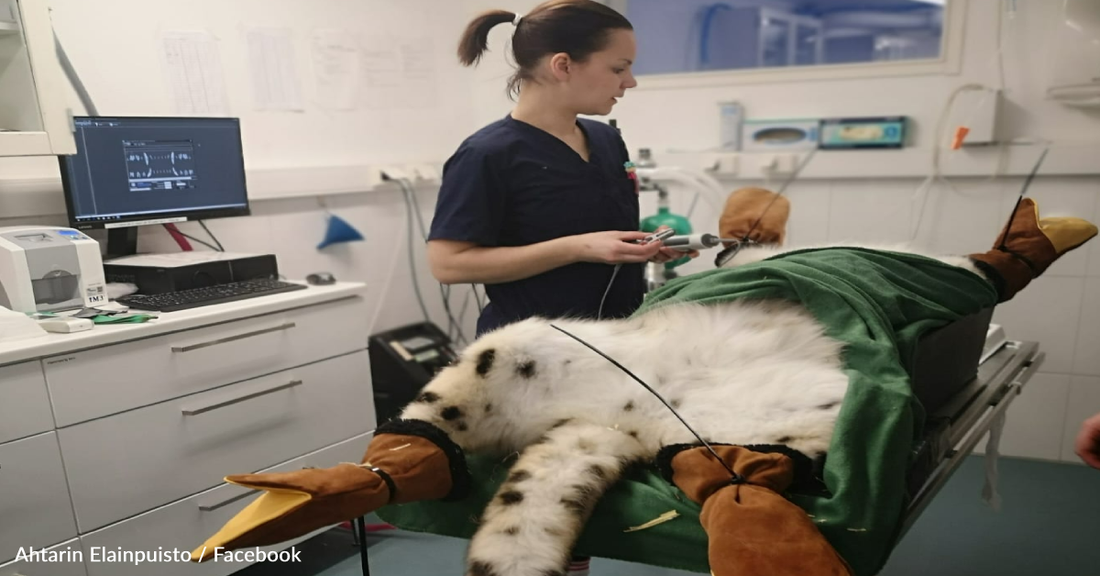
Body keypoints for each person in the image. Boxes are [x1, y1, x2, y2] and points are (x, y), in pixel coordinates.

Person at [426, 0, 698, 343]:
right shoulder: (488, 154)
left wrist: (641, 245)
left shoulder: (607, 139)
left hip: (619, 339)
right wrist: (577, 248)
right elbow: (447, 265)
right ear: (563, 65)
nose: (630, 82)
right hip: (535, 352)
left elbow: (594, 231)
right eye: (618, 69)